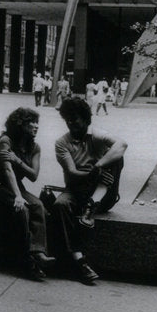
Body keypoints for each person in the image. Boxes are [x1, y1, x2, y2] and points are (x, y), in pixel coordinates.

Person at [53, 98, 128, 284]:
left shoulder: (98, 135)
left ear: (86, 119)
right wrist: (95, 174)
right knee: (59, 204)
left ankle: (92, 205)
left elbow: (122, 145)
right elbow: (72, 173)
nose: (71, 123)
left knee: (117, 159)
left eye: (75, 119)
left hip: (103, 195)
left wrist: (99, 166)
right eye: (68, 119)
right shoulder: (62, 143)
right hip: (77, 189)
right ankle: (79, 259)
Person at [0, 107, 56, 281]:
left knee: (38, 205)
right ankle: (27, 261)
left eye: (37, 122)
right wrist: (18, 196)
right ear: (20, 124)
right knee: (22, 209)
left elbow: (33, 175)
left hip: (18, 187)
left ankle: (38, 252)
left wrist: (17, 160)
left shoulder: (34, 147)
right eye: (31, 122)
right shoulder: (6, 141)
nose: (36, 126)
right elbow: (7, 171)